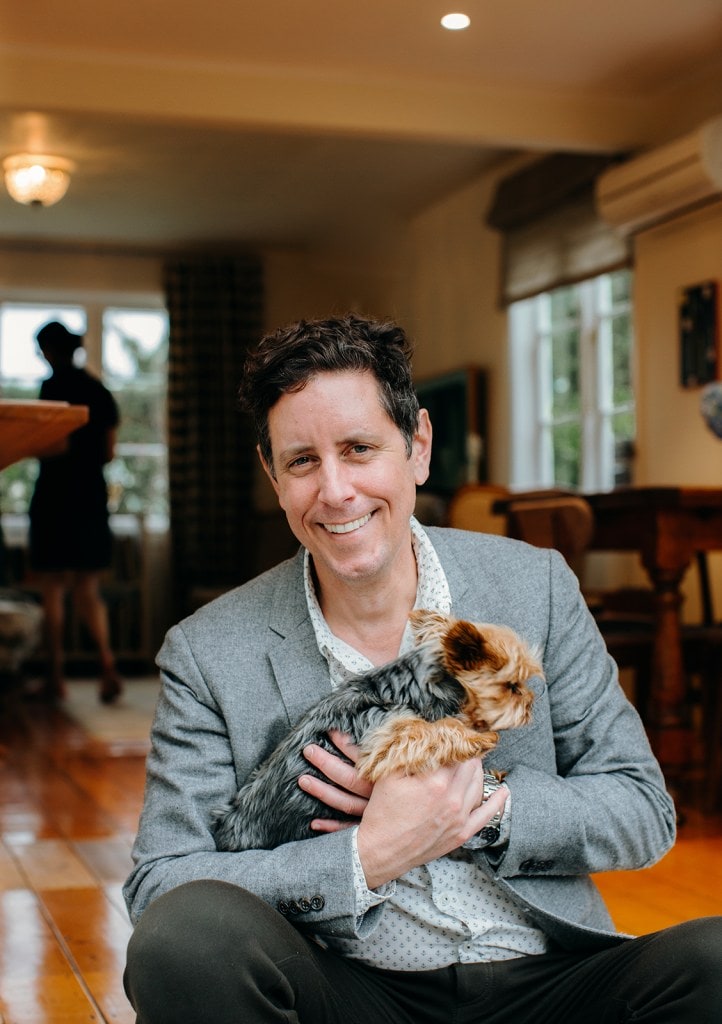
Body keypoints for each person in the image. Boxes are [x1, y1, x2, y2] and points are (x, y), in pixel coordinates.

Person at [123, 314, 722, 1023]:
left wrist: (477, 811)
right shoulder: (208, 648)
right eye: (303, 461)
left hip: (550, 981)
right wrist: (367, 856)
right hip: (350, 991)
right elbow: (161, 883)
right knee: (183, 943)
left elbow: (642, 809)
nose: (337, 490)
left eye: (360, 448)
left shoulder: (538, 587)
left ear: (418, 448)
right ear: (273, 477)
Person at [28, 320, 122, 704]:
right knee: (87, 589)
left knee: (52, 587)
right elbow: (108, 451)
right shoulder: (99, 391)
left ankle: (55, 678)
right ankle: (107, 667)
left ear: (50, 351)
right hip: (90, 499)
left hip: (55, 497)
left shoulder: (53, 389)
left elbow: (54, 446)